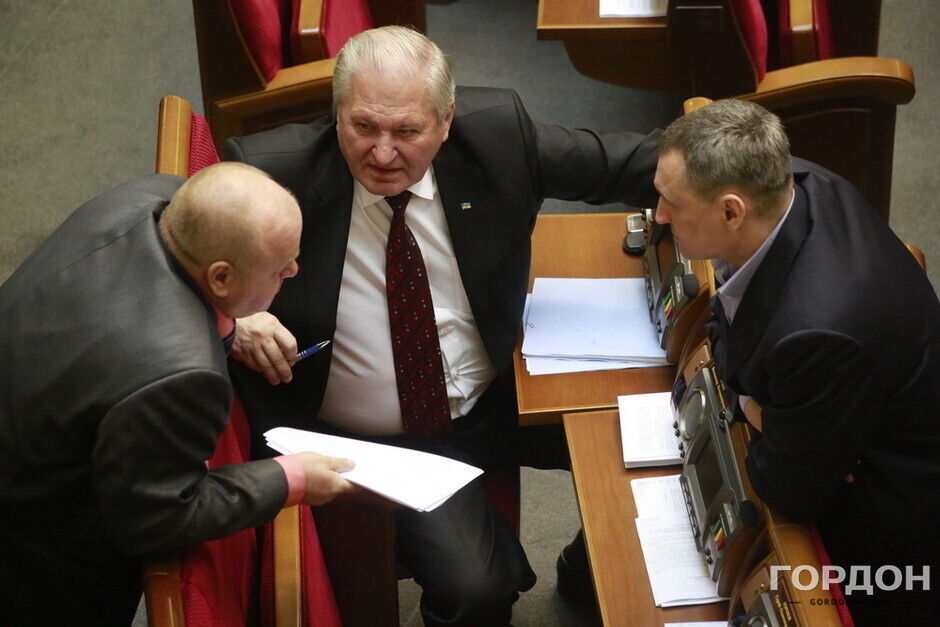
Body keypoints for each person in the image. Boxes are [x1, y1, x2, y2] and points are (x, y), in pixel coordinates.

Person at [224, 25, 660, 624]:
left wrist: (771, 192)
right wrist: (231, 321)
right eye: (363, 127)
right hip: (377, 443)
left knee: (657, 441)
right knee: (476, 589)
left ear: (447, 119)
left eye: (407, 132)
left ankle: (588, 575)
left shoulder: (498, 136)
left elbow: (633, 163)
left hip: (499, 393)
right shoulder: (271, 173)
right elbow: (159, 237)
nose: (382, 154)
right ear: (336, 112)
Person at [0, 163, 358, 625]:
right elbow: (156, 518)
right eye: (278, 268)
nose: (294, 270)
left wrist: (232, 315)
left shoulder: (151, 198)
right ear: (221, 277)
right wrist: (291, 478)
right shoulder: (182, 375)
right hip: (34, 549)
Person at [654, 99, 940, 622]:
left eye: (672, 203)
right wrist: (762, 408)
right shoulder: (792, 184)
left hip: (885, 528)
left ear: (732, 211)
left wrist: (749, 404)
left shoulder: (818, 334)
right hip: (837, 427)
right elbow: (722, 322)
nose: (659, 216)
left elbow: (785, 486)